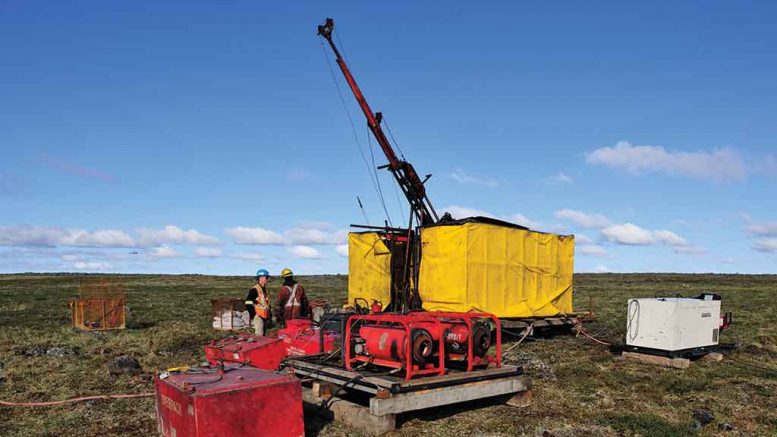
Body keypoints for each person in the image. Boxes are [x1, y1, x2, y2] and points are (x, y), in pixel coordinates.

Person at [245, 269, 271, 335]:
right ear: (260, 278)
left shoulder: (264, 289)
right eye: (266, 277)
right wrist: (254, 315)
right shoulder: (254, 289)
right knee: (259, 336)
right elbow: (247, 303)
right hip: (258, 317)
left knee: (263, 336)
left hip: (264, 316)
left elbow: (265, 304)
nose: (267, 279)